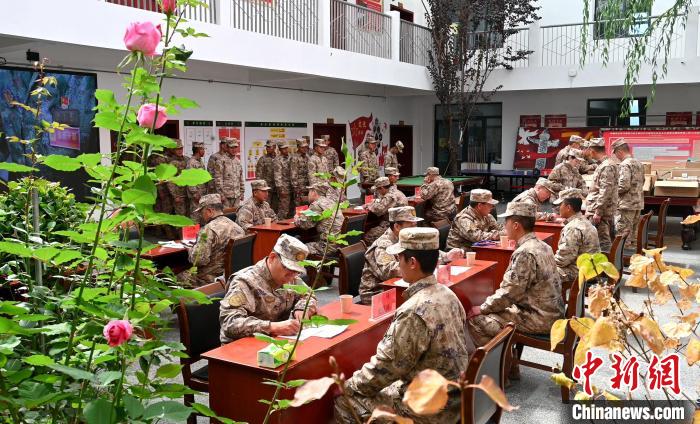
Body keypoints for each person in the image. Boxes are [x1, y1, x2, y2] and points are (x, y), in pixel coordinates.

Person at [335, 227, 471, 424]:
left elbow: (386, 367)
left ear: (412, 262)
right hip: (454, 398)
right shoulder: (449, 295)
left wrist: (348, 385)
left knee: (344, 400)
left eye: (399, 258)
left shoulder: (413, 311)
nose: (398, 263)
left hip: (429, 413)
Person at [468, 202, 564, 359]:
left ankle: (502, 365)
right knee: (495, 308)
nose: (504, 226)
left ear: (516, 225)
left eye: (506, 222)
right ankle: (507, 361)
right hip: (550, 312)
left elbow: (510, 293)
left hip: (539, 318)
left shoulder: (525, 252)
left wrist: (483, 307)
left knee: (475, 318)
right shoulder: (542, 245)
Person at [219, 234, 317, 343]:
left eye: (297, 271)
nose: (292, 275)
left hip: (276, 340)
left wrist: (302, 308)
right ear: (272, 258)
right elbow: (230, 323)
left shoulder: (290, 276)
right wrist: (272, 327)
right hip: (242, 345)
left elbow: (308, 294)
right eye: (288, 267)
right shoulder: (245, 282)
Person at [359, 206, 464, 305]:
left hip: (402, 287)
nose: (415, 228)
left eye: (415, 224)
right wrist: (422, 265)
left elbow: (423, 251)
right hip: (377, 293)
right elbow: (388, 271)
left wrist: (447, 256)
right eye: (411, 225)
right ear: (397, 227)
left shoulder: (409, 238)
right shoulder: (382, 245)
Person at [177, 194, 245, 287]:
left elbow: (199, 260)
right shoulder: (237, 227)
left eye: (201, 212)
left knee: (174, 277)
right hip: (232, 275)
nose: (201, 216)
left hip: (209, 278)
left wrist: (190, 249)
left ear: (209, 211)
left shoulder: (208, 230)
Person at [552, 188, 600, 287]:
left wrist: (544, 263)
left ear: (568, 207)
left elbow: (563, 259)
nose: (558, 208)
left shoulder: (573, 228)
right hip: (591, 268)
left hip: (580, 271)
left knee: (542, 273)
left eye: (560, 205)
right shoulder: (584, 221)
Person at [585, 138, 619, 252]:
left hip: (600, 211)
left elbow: (605, 191)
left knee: (602, 242)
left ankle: (606, 262)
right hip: (601, 209)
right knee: (602, 240)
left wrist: (598, 212)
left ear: (592, 151)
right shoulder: (606, 164)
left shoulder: (606, 166)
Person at [293, 183, 343, 256]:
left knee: (296, 249)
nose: (308, 195)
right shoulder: (333, 203)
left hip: (327, 248)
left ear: (314, 192)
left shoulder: (316, 205)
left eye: (309, 192)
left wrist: (296, 218)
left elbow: (304, 225)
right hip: (339, 245)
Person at [612, 138, 644, 250]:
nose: (616, 156)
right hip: (637, 203)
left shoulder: (624, 165)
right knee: (633, 235)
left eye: (615, 153)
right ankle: (633, 257)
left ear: (619, 151)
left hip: (626, 204)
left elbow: (623, 185)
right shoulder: (638, 163)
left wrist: (612, 193)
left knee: (623, 235)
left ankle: (622, 257)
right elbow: (643, 181)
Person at [362, 177, 408, 245]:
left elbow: (379, 210)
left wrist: (369, 206)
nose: (378, 192)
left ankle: (384, 249)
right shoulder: (396, 192)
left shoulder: (389, 196)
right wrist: (372, 204)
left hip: (392, 225)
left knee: (368, 237)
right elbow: (383, 204)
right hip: (401, 223)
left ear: (382, 188)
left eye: (378, 189)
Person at [220, 138, 245, 210]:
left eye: (235, 147)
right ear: (227, 148)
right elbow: (218, 179)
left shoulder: (237, 161)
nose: (234, 150)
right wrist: (221, 195)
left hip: (236, 195)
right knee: (226, 215)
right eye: (231, 147)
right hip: (226, 196)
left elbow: (240, 177)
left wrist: (242, 192)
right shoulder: (221, 160)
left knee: (236, 214)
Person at [186, 141, 208, 219]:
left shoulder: (200, 161)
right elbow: (189, 179)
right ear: (198, 150)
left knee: (202, 215)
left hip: (202, 192)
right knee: (195, 215)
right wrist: (195, 193)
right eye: (203, 149)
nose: (204, 151)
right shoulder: (191, 162)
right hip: (196, 194)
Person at [273, 140, 294, 219]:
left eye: (286, 148)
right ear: (279, 149)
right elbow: (277, 175)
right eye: (283, 149)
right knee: (284, 208)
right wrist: (280, 189)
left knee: (293, 208)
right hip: (284, 187)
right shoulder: (277, 160)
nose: (285, 150)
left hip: (293, 186)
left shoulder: (291, 157)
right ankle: (280, 222)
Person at [256, 140, 278, 212]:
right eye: (267, 147)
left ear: (274, 147)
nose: (267, 149)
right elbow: (258, 175)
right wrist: (260, 189)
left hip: (277, 188)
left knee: (276, 208)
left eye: (269, 147)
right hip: (266, 188)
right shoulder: (262, 159)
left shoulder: (278, 158)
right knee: (265, 207)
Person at [289, 138, 310, 206]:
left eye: (306, 147)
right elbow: (293, 174)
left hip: (307, 186)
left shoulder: (307, 156)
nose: (305, 149)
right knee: (299, 206)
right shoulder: (294, 158)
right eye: (302, 147)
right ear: (298, 147)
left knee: (307, 205)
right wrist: (296, 188)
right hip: (299, 187)